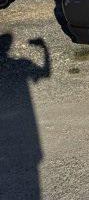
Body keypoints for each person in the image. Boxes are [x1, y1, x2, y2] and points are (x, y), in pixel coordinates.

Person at [0, 35, 51, 200]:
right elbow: (45, 72)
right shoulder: (21, 63)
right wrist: (44, 48)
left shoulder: (18, 63)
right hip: (25, 137)